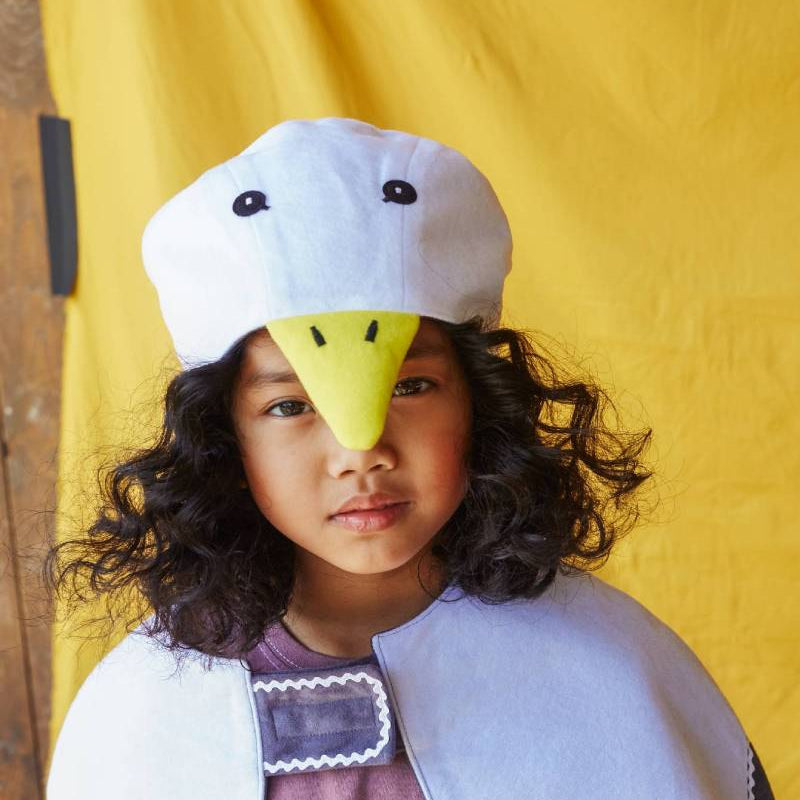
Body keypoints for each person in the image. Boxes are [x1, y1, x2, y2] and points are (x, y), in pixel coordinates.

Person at [45, 117, 774, 799]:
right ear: (223, 440)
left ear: (481, 407)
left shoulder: (613, 668)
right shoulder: (144, 713)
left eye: (411, 386)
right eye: (290, 407)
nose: (359, 453)